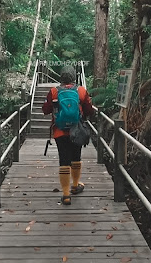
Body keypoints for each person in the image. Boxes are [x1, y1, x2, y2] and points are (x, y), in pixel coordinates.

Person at [42, 65, 94, 205]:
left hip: (60, 131)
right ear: (73, 76)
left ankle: (66, 195)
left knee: (64, 160)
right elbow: (89, 110)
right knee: (76, 157)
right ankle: (76, 185)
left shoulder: (54, 91)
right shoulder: (81, 91)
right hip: (77, 130)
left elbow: (45, 110)